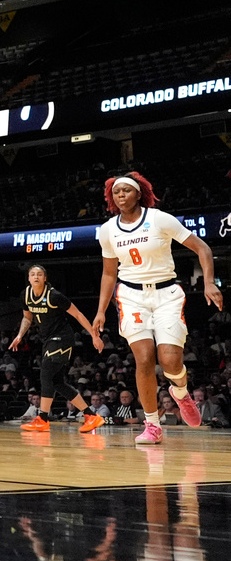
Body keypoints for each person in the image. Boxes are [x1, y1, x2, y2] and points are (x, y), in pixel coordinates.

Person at [92, 172, 222, 444]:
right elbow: (108, 273)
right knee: (144, 358)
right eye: (117, 192)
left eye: (126, 191)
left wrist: (209, 283)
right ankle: (152, 424)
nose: (121, 196)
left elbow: (203, 248)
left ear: (139, 193)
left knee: (171, 361)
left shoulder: (159, 218)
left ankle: (180, 391)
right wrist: (101, 310)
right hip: (131, 296)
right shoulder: (107, 229)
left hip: (166, 294)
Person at [8, 264, 105, 433]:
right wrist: (19, 335)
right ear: (29, 278)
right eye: (32, 274)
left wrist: (94, 336)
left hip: (62, 338)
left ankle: (43, 419)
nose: (36, 277)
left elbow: (78, 314)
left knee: (45, 373)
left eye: (39, 274)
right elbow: (27, 318)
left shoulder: (54, 296)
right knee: (58, 383)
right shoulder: (26, 295)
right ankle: (91, 416)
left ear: (45, 278)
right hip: (48, 339)